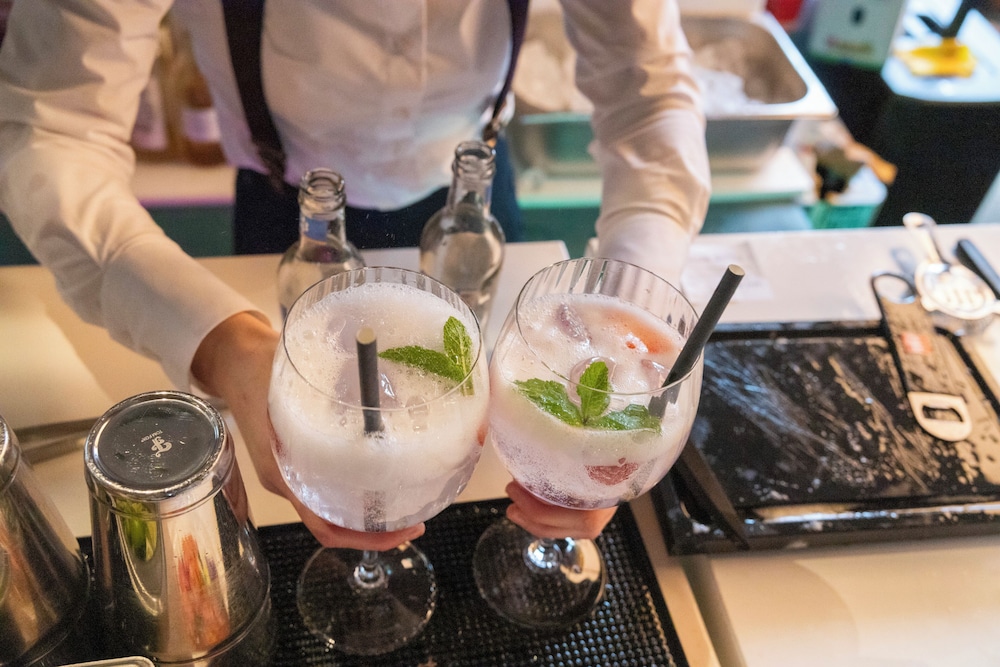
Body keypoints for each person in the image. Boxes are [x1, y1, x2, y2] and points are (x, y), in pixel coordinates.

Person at [0, 1, 710, 551]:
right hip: (291, 215)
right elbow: (50, 131)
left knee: (477, 438)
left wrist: (619, 347)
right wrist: (222, 343)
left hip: (472, 207)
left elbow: (648, 98)